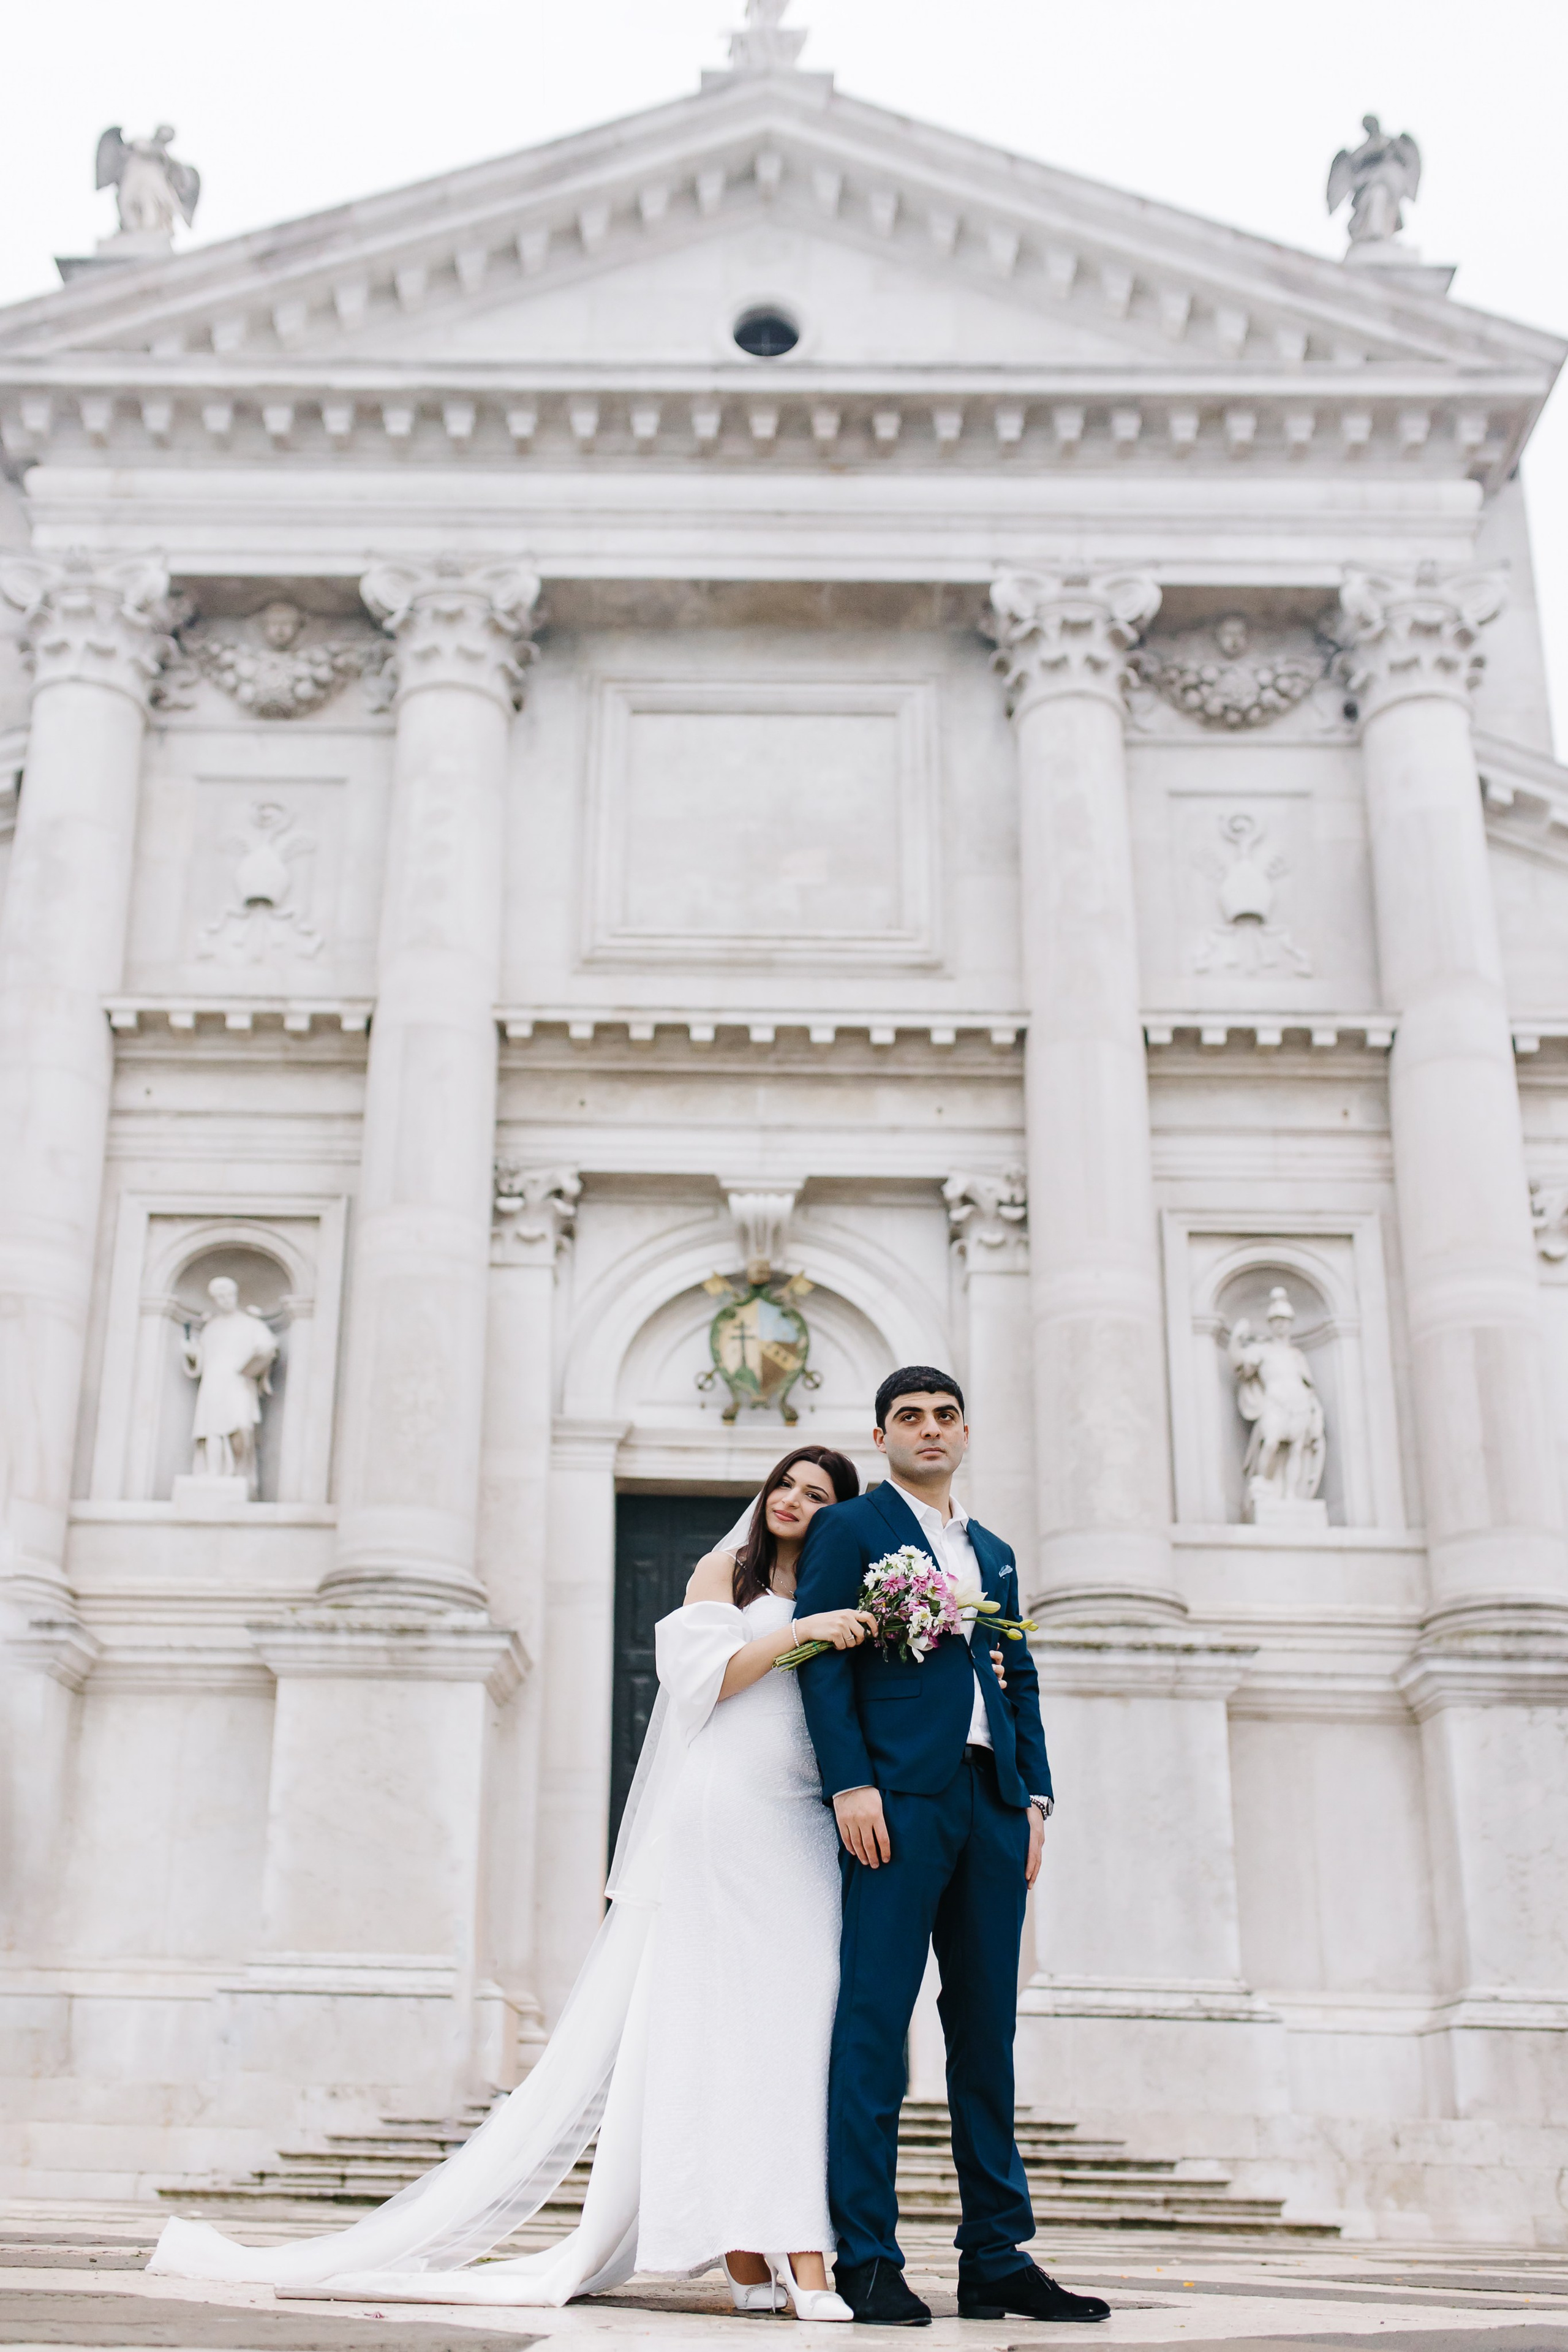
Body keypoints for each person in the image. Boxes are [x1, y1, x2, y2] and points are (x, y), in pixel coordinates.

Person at [148, 1443, 924, 2317]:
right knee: (726, 2028)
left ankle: (762, 2253)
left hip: (805, 1822)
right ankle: (774, 2261)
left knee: (796, 2028)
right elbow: (702, 1681)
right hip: (727, 1817)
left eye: (818, 1494)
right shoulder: (723, 1575)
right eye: (786, 1483)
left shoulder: (842, 1590)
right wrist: (801, 1632)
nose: (794, 1500)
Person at [791, 1366, 1110, 2327]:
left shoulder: (996, 1551)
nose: (929, 1430)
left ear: (966, 1432)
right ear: (881, 1435)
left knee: (986, 2031)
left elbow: (1019, 1674)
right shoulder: (851, 1530)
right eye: (909, 1418)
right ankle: (868, 2256)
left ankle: (998, 2256)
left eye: (944, 1417)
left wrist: (1037, 1796)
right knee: (874, 2025)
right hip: (897, 1802)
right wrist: (850, 1782)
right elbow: (817, 1656)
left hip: (994, 1805)